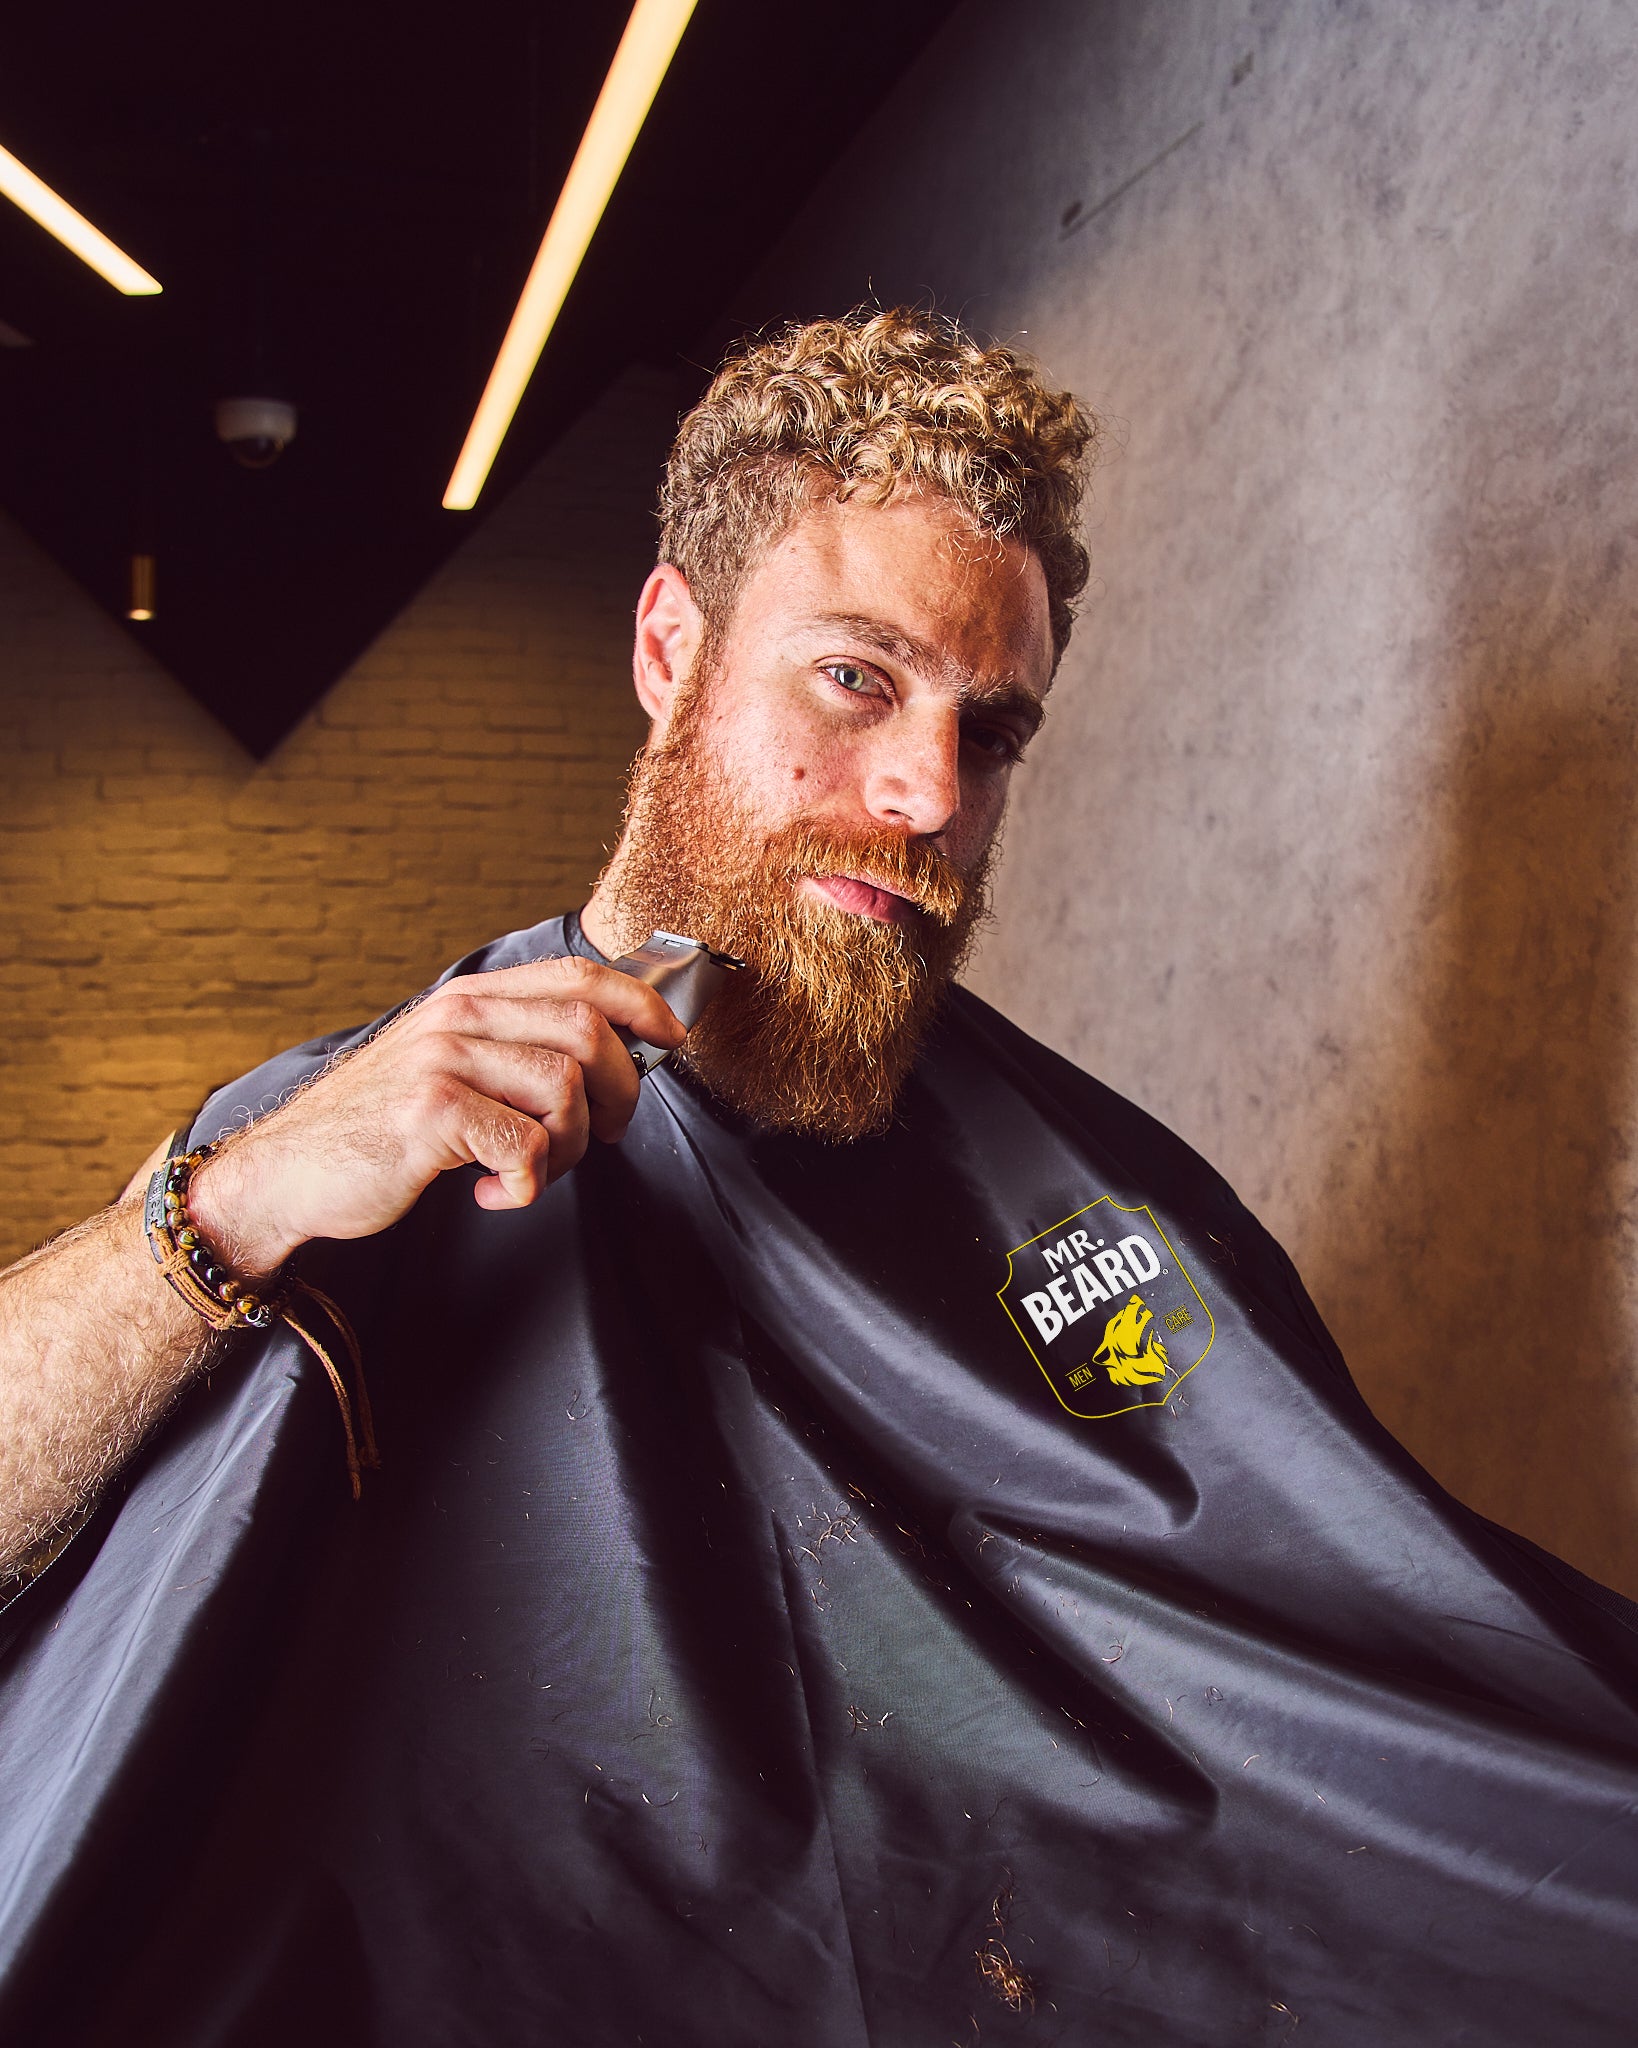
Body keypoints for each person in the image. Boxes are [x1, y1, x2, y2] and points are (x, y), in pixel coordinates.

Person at [1, 309, 1636, 2046]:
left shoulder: (1090, 1191)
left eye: (988, 733)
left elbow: (1344, 1647)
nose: (926, 791)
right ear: (670, 647)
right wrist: (228, 1207)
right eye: (856, 679)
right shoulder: (324, 1139)